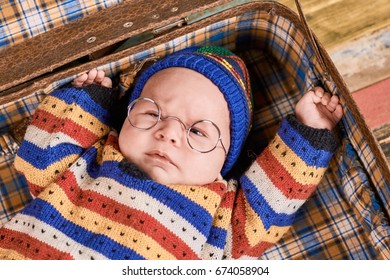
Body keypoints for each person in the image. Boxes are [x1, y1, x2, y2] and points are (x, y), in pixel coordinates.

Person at [0, 46, 342, 260]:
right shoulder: (93, 157)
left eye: (198, 131)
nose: (169, 133)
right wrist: (85, 100)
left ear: (224, 163)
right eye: (151, 113)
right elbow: (39, 162)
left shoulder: (219, 210)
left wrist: (308, 130)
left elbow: (271, 206)